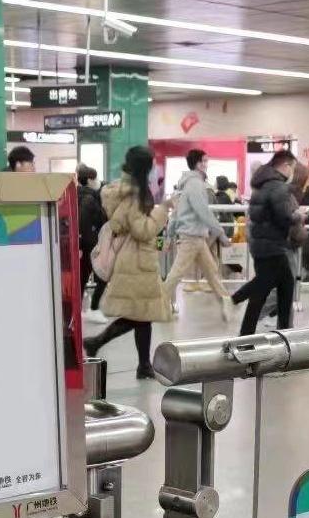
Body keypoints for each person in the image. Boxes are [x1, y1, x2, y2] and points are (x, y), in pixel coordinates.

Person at [82, 146, 170, 380]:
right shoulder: (135, 195)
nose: (154, 168)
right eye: (152, 164)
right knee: (139, 315)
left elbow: (122, 224)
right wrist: (163, 210)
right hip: (136, 263)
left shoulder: (129, 190)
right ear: (144, 167)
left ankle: (143, 365)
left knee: (142, 315)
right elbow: (142, 230)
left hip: (136, 260)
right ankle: (97, 342)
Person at [229, 149, 302, 335]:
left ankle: (254, 333)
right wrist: (299, 216)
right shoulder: (278, 187)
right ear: (285, 166)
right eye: (292, 168)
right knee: (266, 286)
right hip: (273, 246)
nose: (292, 172)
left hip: (261, 244)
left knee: (277, 286)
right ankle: (235, 303)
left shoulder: (261, 185)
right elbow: (283, 217)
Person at [162, 148, 233, 318]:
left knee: (211, 272)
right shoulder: (195, 184)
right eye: (205, 161)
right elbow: (203, 212)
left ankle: (227, 302)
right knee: (177, 273)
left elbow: (177, 213)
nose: (207, 164)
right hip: (192, 237)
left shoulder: (187, 184)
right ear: (198, 164)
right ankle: (156, 304)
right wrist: (220, 233)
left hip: (196, 237)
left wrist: (169, 235)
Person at [77, 164, 108, 322]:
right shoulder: (89, 198)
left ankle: (79, 309)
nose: (98, 181)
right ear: (89, 180)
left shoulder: (82, 195)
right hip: (91, 245)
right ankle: (94, 308)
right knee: (102, 275)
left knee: (82, 277)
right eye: (95, 178)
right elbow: (84, 222)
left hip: (86, 244)